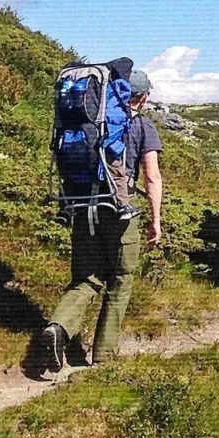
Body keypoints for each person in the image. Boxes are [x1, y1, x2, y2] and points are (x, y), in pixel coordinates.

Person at [39, 68, 163, 376]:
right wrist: (155, 220)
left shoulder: (87, 124)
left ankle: (58, 327)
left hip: (82, 207)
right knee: (121, 279)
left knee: (86, 279)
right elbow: (152, 176)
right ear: (143, 97)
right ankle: (104, 356)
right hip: (120, 213)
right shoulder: (142, 126)